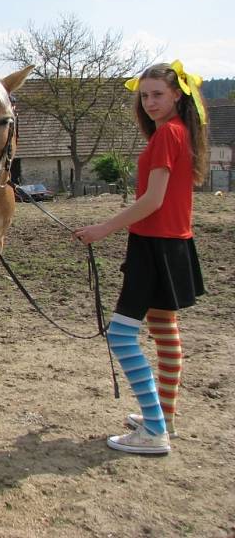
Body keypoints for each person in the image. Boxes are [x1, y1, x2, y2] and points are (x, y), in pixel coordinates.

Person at [74, 60, 207, 455]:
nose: (150, 102)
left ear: (177, 95)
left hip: (154, 245)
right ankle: (164, 416)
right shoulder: (180, 131)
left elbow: (153, 200)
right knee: (165, 329)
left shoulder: (167, 133)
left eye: (158, 95)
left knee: (120, 334)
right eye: (144, 95)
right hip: (174, 243)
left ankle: (153, 431)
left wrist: (102, 228)